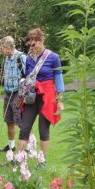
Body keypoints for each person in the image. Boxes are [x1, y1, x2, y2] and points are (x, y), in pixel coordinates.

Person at [17, 28, 65, 167]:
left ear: (42, 40)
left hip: (48, 96)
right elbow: (26, 77)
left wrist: (60, 100)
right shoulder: (28, 59)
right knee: (24, 127)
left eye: (35, 43)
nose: (33, 46)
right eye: (30, 44)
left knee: (43, 129)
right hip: (32, 96)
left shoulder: (53, 57)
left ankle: (42, 160)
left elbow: (59, 78)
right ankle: (18, 158)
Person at [0, 36, 26, 152]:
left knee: (20, 121)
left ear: (8, 47)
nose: (0, 50)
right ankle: (11, 146)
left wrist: (23, 96)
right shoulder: (6, 59)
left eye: (2, 48)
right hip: (8, 93)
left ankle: (28, 146)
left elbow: (28, 77)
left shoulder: (21, 57)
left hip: (18, 94)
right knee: (9, 120)